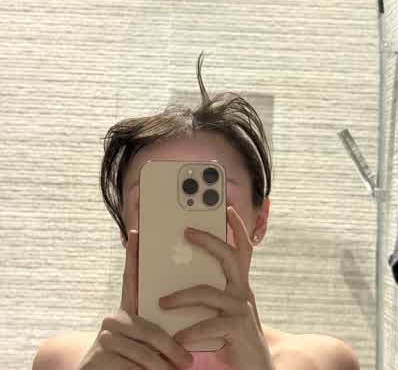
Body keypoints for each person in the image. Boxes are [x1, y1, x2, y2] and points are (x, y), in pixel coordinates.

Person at [33, 53, 360, 370]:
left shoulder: (323, 362)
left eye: (213, 200)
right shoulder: (63, 360)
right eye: (154, 202)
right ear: (123, 228)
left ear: (259, 221)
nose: (187, 229)